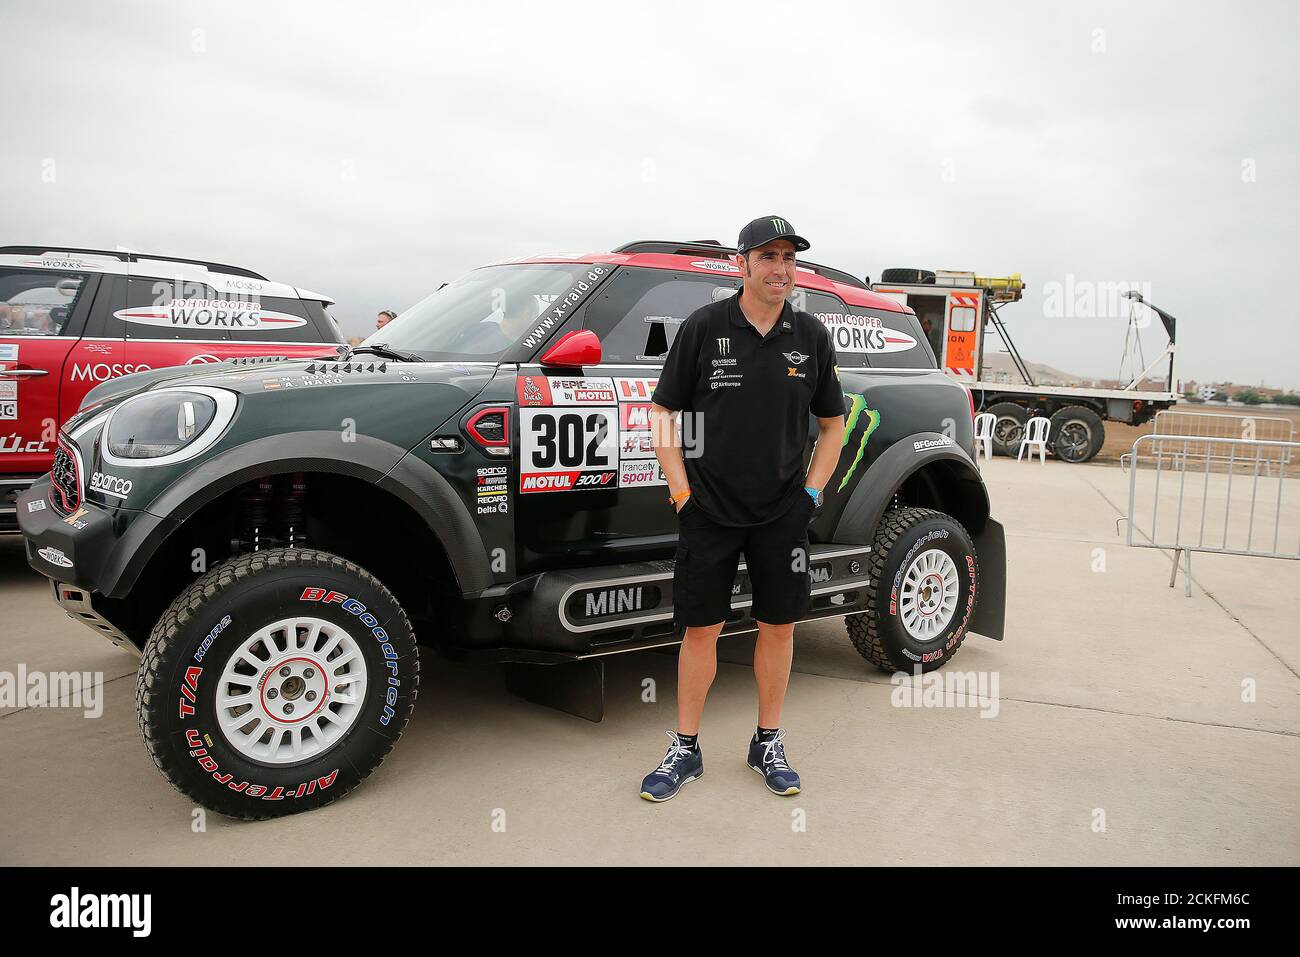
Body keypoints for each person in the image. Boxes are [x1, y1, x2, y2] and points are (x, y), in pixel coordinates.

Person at [640, 216, 846, 802]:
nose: (781, 269)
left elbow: (832, 424)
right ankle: (685, 747)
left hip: (782, 511)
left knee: (778, 626)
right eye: (769, 257)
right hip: (708, 508)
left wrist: (811, 492)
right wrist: (681, 492)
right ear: (743, 264)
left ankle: (768, 741)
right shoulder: (705, 328)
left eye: (790, 258)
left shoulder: (809, 336)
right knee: (700, 628)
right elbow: (663, 414)